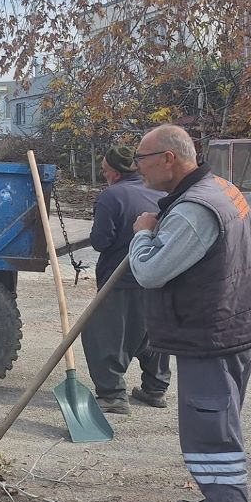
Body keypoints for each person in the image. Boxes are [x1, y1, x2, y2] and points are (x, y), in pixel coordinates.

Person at [129, 124, 251, 502]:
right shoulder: (220, 188)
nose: (138, 167)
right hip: (234, 324)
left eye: (142, 158)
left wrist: (142, 233)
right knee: (221, 425)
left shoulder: (195, 210)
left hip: (211, 335)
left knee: (210, 437)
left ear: (170, 159)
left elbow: (151, 272)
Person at [80, 144, 172, 415]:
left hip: (121, 279)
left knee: (104, 336)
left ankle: (113, 395)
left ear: (115, 173)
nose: (105, 175)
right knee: (152, 334)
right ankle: (155, 389)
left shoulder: (112, 196)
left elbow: (100, 241)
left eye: (106, 171)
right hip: (157, 277)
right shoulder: (160, 192)